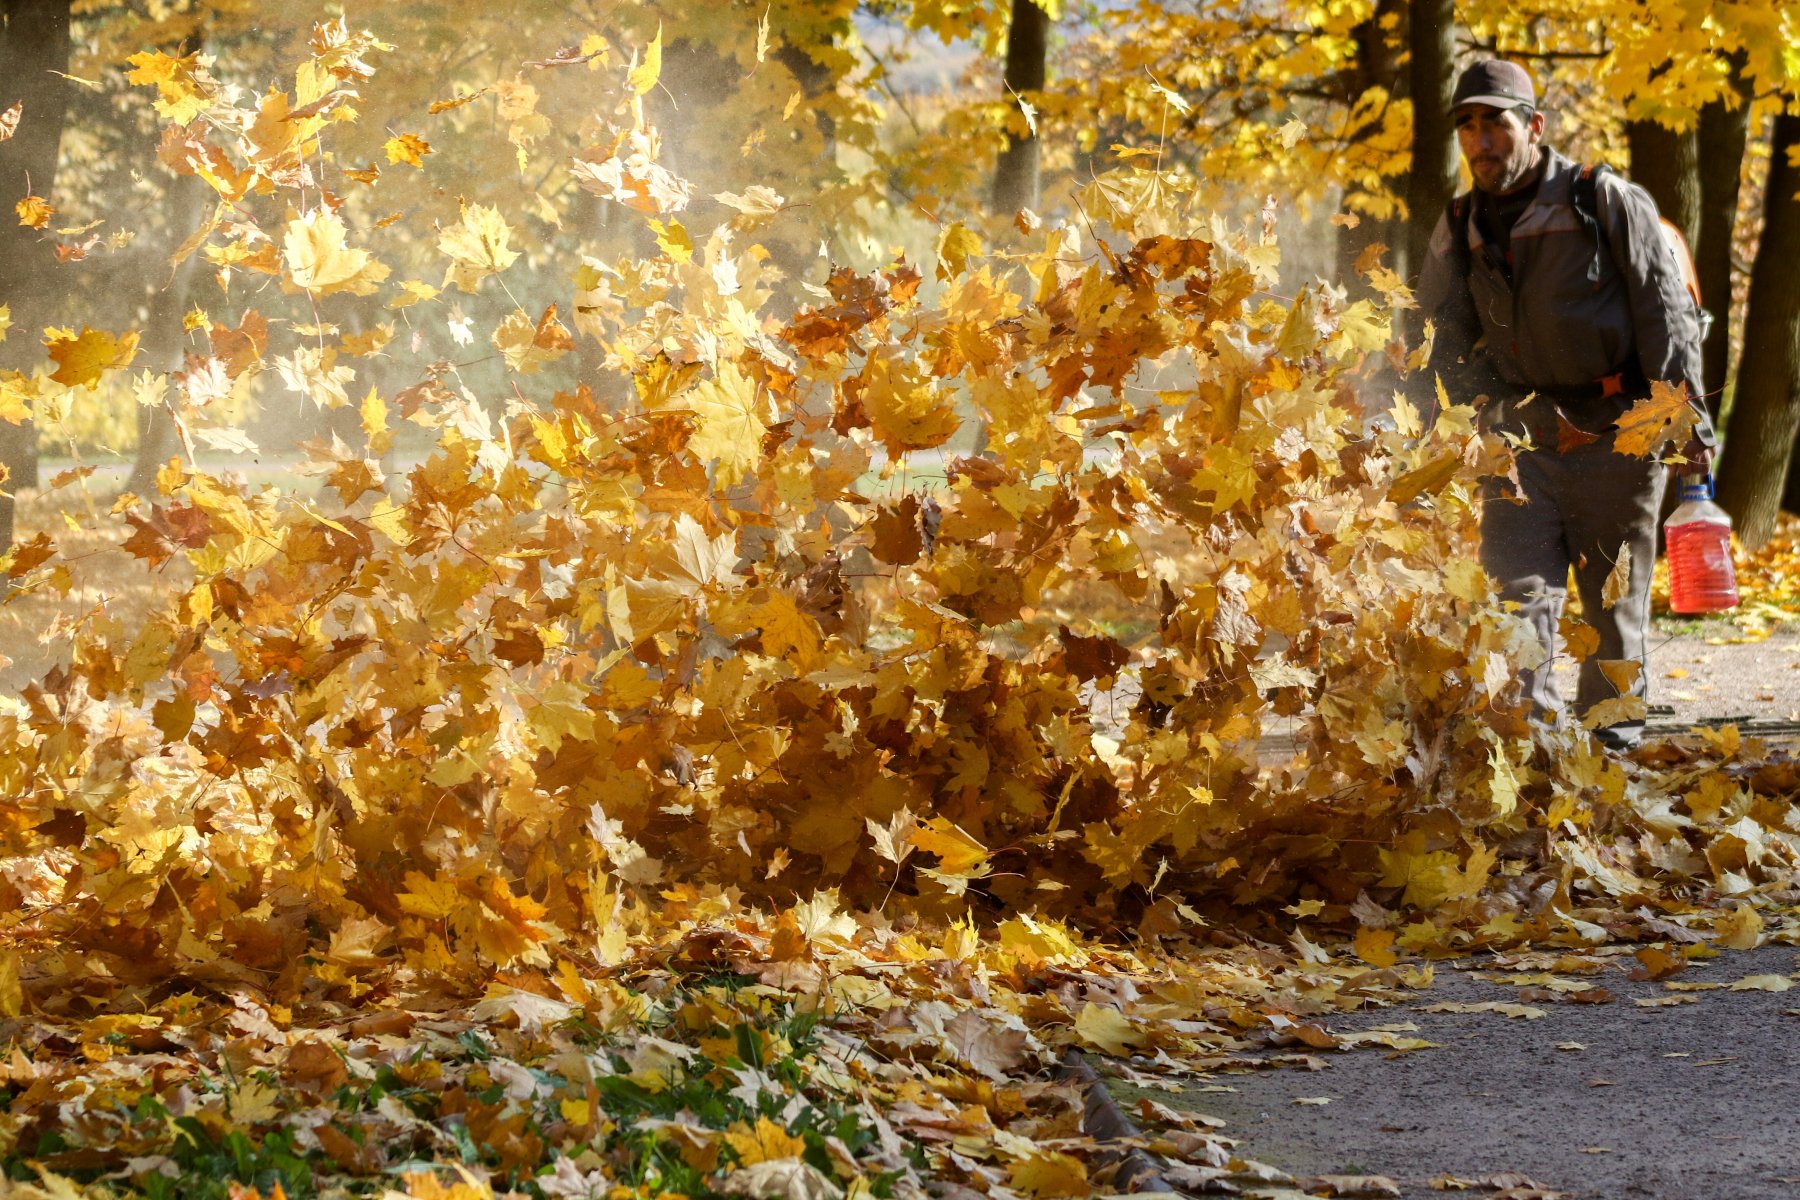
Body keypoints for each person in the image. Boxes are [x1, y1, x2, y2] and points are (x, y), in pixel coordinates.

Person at [1414, 59, 1716, 750]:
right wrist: (1435, 415)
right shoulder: (1460, 222)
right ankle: (1535, 757)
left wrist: (1681, 418)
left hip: (1618, 437)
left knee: (1610, 611)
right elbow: (1435, 331)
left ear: (1535, 126)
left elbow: (1664, 313)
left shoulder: (1602, 198)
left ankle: (1611, 764)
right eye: (1468, 126)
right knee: (1516, 604)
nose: (1481, 140)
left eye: (1496, 122)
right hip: (1520, 444)